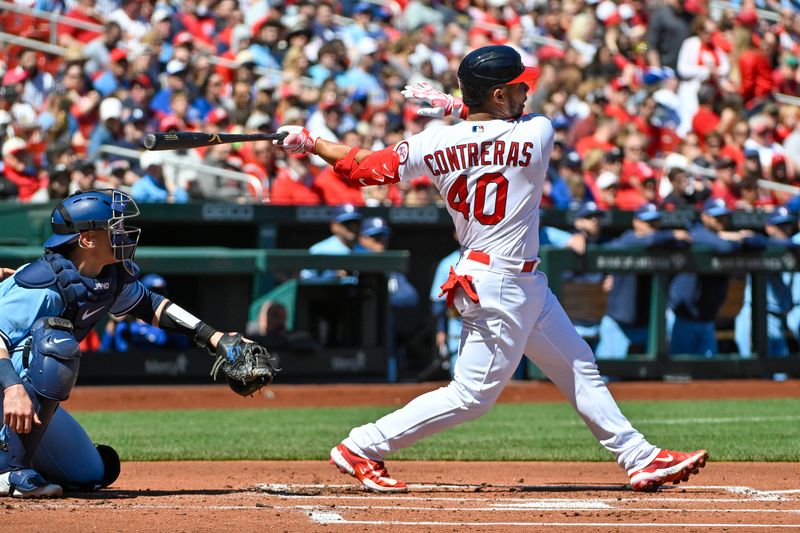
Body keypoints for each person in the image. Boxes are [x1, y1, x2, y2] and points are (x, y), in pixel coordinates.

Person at [274, 45, 708, 493]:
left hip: (512, 279)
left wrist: (311, 142)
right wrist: (457, 103)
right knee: (471, 396)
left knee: (578, 364)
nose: (526, 92)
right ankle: (362, 445)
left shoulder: (433, 141)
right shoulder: (538, 132)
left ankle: (639, 457)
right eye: (518, 86)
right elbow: (494, 124)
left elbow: (362, 167)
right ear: (499, 94)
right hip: (500, 282)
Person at [0, 189, 268, 498]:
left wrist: (216, 338)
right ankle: (10, 470)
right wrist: (11, 387)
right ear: (87, 239)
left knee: (92, 473)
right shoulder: (41, 283)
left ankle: (13, 452)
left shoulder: (107, 276)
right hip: (9, 388)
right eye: (114, 227)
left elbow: (149, 306)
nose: (123, 232)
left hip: (18, 397)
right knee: (55, 347)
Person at [670, 198, 766, 357]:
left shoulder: (723, 235)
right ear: (705, 217)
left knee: (708, 376)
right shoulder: (697, 232)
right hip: (685, 318)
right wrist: (736, 238)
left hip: (707, 319)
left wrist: (734, 236)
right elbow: (724, 247)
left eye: (724, 216)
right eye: (717, 217)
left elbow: (759, 242)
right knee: (678, 375)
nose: (722, 220)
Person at [595, 204, 692, 359]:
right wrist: (673, 234)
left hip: (648, 322)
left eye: (655, 222)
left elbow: (685, 242)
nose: (652, 227)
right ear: (636, 222)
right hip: (620, 322)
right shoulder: (628, 238)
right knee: (605, 375)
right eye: (648, 222)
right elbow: (648, 241)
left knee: (654, 376)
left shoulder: (663, 242)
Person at [734, 208, 794, 358]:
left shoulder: (790, 247)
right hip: (755, 317)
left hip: (777, 319)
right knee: (754, 375)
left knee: (781, 377)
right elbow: (750, 240)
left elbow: (792, 244)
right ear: (769, 227)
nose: (785, 229)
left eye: (787, 225)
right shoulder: (759, 244)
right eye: (780, 226)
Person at [299, 204, 367, 282]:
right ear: (334, 226)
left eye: (356, 223)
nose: (353, 227)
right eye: (347, 223)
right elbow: (306, 281)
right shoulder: (319, 250)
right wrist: (331, 277)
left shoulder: (364, 251)